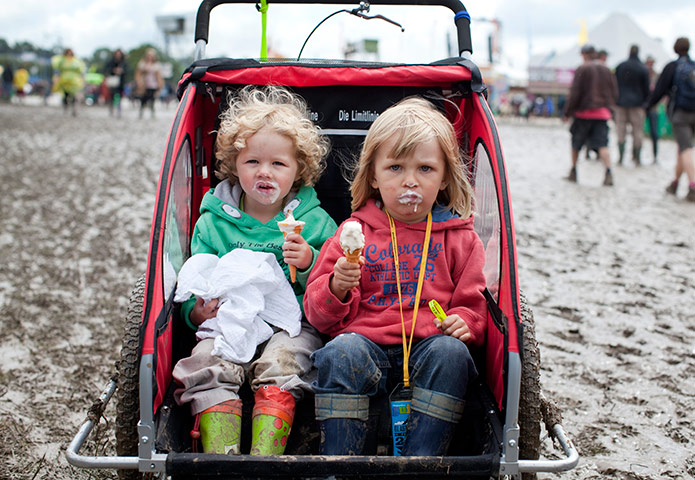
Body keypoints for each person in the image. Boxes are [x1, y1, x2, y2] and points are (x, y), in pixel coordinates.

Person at [304, 97, 487, 456]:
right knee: (339, 352)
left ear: (445, 176)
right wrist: (336, 288)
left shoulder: (460, 238)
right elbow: (318, 317)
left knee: (452, 353)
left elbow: (473, 305)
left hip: (428, 347)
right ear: (373, 174)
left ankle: (421, 465)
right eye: (395, 168)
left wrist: (465, 321)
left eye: (425, 169)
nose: (410, 182)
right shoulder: (353, 232)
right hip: (364, 347)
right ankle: (340, 466)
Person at [172, 86, 337, 455]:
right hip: (227, 320)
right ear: (234, 164)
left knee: (286, 363)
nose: (265, 172)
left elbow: (332, 285)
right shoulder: (212, 221)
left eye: (278, 164)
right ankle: (221, 458)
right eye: (252, 163)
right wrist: (194, 311)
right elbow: (194, 277)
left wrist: (309, 261)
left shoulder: (315, 222)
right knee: (203, 363)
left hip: (291, 323)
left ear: (298, 170)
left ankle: (265, 459)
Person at [645, 37, 695, 202]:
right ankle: (675, 183)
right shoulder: (693, 66)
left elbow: (659, 90)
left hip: (680, 114)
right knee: (682, 147)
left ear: (675, 49)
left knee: (686, 149)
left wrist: (648, 105)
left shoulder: (672, 67)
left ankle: (693, 185)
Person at [563, 44, 618, 186]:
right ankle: (608, 172)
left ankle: (573, 171)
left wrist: (567, 112)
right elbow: (614, 92)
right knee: (603, 145)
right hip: (602, 114)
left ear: (584, 54)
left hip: (583, 113)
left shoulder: (582, 69)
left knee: (576, 144)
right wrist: (611, 109)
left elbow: (575, 93)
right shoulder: (606, 69)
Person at [614, 45, 650, 165]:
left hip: (621, 103)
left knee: (620, 131)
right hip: (637, 104)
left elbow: (614, 84)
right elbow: (647, 90)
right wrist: (646, 104)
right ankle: (636, 158)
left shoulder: (620, 66)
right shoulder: (643, 68)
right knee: (637, 132)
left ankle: (621, 158)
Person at [52, 48, 85, 116]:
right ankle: (65, 108)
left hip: (74, 81)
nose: (69, 55)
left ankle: (73, 109)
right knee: (65, 95)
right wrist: (57, 78)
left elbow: (80, 71)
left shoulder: (76, 61)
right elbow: (58, 70)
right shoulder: (62, 61)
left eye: (70, 53)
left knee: (73, 96)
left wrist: (82, 79)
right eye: (68, 53)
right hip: (64, 81)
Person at [134, 48, 164, 119]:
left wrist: (160, 85)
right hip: (144, 84)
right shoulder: (142, 64)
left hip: (153, 84)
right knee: (143, 99)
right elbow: (138, 74)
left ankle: (152, 113)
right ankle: (141, 112)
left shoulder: (156, 65)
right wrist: (139, 83)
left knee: (152, 99)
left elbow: (159, 76)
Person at [644, 55, 661, 163]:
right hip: (641, 106)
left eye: (652, 63)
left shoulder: (657, 75)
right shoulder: (642, 74)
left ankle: (655, 156)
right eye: (649, 62)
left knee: (654, 132)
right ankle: (636, 156)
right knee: (637, 133)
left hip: (653, 107)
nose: (650, 65)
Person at [104, 49, 127, 117]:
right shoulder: (111, 62)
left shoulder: (124, 62)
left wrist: (122, 71)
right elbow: (106, 69)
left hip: (121, 82)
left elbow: (127, 71)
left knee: (119, 96)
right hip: (113, 81)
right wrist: (113, 70)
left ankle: (119, 110)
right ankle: (111, 110)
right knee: (111, 96)